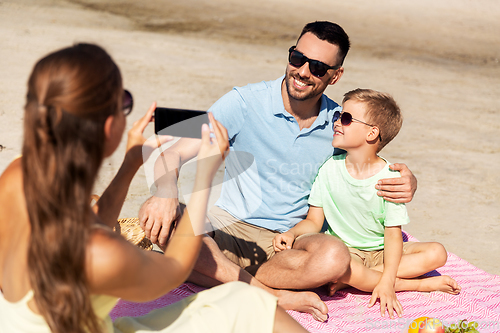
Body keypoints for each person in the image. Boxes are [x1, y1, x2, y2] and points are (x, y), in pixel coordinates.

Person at [0, 43, 308, 333]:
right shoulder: (103, 254)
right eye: (123, 102)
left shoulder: (17, 173)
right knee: (249, 303)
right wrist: (204, 177)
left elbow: (91, 227)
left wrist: (131, 163)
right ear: (109, 127)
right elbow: (173, 269)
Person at [139, 21, 418, 322]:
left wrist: (408, 180)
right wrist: (165, 192)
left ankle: (218, 273)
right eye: (297, 58)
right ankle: (269, 294)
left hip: (288, 246)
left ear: (336, 76)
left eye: (318, 67)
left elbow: (369, 158)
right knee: (158, 218)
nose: (303, 71)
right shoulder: (244, 101)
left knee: (335, 257)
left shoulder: (340, 121)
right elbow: (175, 148)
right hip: (227, 229)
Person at [273, 88, 461, 319]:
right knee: (335, 267)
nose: (337, 123)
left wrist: (386, 278)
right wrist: (292, 233)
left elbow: (393, 236)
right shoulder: (329, 169)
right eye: (338, 116)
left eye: (346, 118)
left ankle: (365, 279)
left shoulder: (390, 178)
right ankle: (418, 285)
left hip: (383, 250)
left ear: (372, 133)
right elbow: (314, 220)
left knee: (437, 253)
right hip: (346, 252)